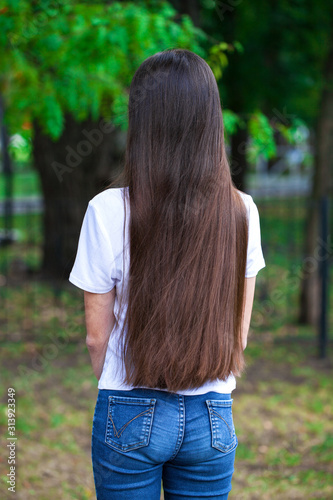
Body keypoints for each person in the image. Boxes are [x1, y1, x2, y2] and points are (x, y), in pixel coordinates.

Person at [68, 48, 266, 499]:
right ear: (210, 121)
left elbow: (97, 338)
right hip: (212, 414)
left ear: (144, 121)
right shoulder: (242, 211)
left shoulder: (107, 211)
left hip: (129, 407)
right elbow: (239, 334)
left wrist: (121, 384)